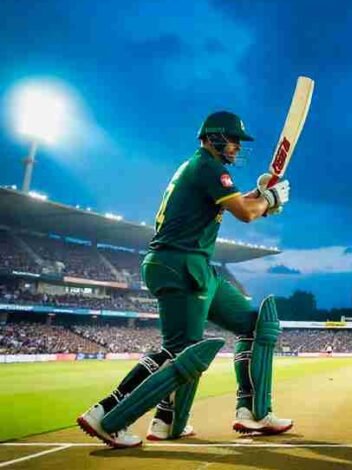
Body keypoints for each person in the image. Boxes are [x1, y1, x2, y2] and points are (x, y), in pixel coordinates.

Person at [76, 111, 293, 448]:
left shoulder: (203, 168)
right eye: (233, 139)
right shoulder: (208, 166)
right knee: (180, 352)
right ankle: (107, 413)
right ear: (215, 137)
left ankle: (246, 411)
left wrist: (261, 192)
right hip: (180, 264)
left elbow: (241, 202)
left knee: (256, 325)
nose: (237, 147)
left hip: (196, 266)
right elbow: (247, 213)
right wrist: (269, 200)